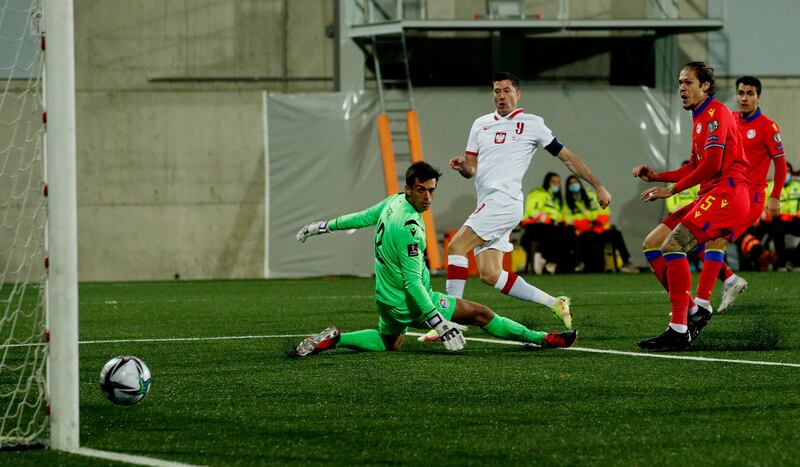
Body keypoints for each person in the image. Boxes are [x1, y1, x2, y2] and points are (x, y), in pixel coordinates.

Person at [292, 161, 577, 357]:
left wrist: (322, 226)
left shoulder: (393, 202)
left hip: (385, 297)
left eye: (432, 190)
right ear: (409, 188)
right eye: (421, 190)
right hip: (410, 301)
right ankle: (542, 339)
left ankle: (336, 338)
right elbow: (413, 283)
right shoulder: (410, 228)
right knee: (482, 314)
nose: (428, 197)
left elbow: (362, 217)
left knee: (389, 343)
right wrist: (438, 322)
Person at [445, 71, 611, 331]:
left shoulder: (532, 124)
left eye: (507, 90)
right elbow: (472, 170)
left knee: (456, 247)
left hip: (505, 201)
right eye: (497, 91)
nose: (501, 96)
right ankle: (555, 303)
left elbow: (567, 158)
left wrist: (598, 185)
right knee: (490, 275)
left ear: (518, 94)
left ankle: (448, 321)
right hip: (488, 203)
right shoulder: (480, 124)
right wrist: (463, 166)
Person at [633, 61, 750, 350]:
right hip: (712, 192)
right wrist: (656, 176)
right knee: (652, 244)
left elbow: (712, 165)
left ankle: (679, 327)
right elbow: (697, 165)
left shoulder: (715, 114)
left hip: (728, 194)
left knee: (673, 246)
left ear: (705, 86)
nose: (682, 88)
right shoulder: (699, 118)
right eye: (680, 83)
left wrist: (670, 190)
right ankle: (695, 312)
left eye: (688, 83)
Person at [693, 75, 787, 313]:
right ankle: (731, 281)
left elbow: (781, 164)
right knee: (698, 239)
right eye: (741, 93)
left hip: (751, 198)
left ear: (758, 96)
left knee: (716, 241)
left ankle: (702, 304)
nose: (744, 98)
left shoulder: (767, 127)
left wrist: (775, 195)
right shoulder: (730, 119)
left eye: (750, 93)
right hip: (726, 193)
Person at [564, 175, 637, 273]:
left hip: (600, 228)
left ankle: (626, 263)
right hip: (584, 232)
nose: (574, 185)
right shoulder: (567, 203)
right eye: (571, 183)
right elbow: (568, 220)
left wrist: (597, 222)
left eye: (575, 182)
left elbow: (604, 211)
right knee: (588, 238)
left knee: (616, 234)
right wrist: (587, 224)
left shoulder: (591, 196)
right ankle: (586, 265)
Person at [520, 172, 574, 274]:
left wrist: (563, 222)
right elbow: (533, 211)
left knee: (569, 233)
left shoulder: (555, 199)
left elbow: (561, 215)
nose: (556, 184)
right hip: (534, 225)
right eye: (553, 181)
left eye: (558, 182)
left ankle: (552, 263)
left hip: (551, 226)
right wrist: (551, 221)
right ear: (547, 181)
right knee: (557, 233)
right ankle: (545, 259)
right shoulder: (538, 193)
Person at [761, 162, 800, 270]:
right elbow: (763, 209)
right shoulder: (770, 187)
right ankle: (781, 263)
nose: (786, 174)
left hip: (794, 219)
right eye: (784, 171)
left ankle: (794, 260)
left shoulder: (797, 186)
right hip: (776, 220)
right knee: (776, 229)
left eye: (788, 172)